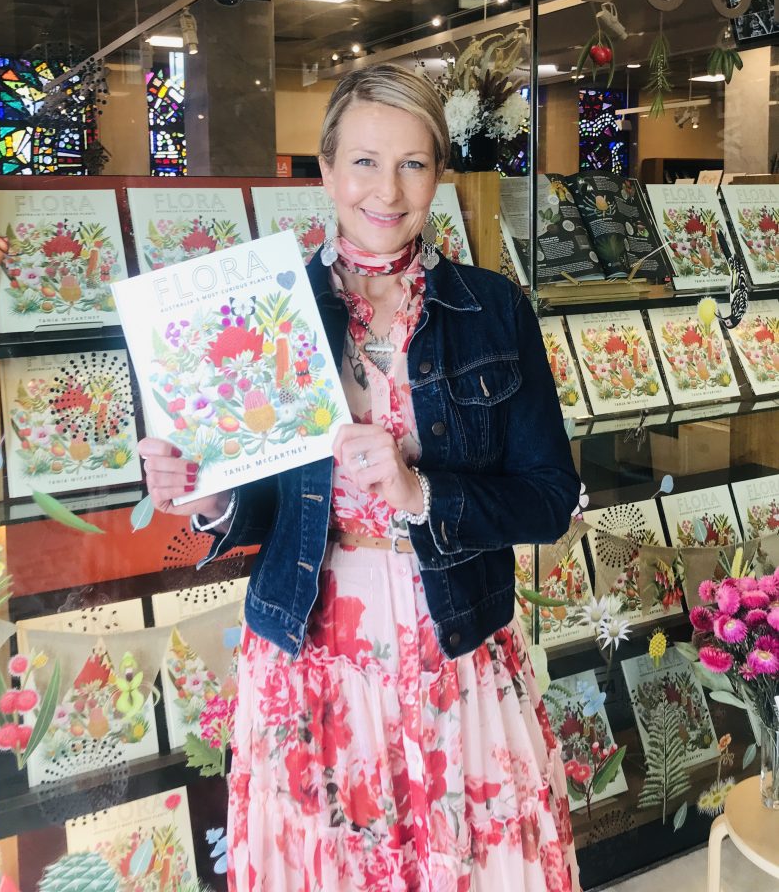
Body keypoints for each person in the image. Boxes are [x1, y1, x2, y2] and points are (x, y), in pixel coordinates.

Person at [139, 63, 582, 892]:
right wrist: (210, 497)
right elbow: (260, 504)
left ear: (439, 176)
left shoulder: (493, 310)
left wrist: (423, 495)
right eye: (365, 162)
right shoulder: (268, 311)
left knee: (470, 863)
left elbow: (551, 498)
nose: (388, 189)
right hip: (311, 652)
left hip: (452, 641)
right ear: (326, 170)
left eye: (414, 163)